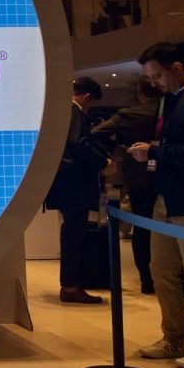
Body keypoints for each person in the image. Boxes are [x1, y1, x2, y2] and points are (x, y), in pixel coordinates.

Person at [129, 42, 184, 368]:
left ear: (177, 68)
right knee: (161, 271)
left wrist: (154, 152)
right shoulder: (169, 100)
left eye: (157, 76)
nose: (154, 83)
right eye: (150, 78)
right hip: (165, 199)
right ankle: (174, 339)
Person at [44, 77, 111, 304]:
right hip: (74, 184)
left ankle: (70, 285)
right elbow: (78, 142)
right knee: (74, 234)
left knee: (71, 232)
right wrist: (103, 161)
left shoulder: (61, 113)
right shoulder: (75, 113)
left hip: (65, 183)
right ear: (87, 97)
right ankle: (71, 287)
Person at [92, 80, 160, 294]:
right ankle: (174, 280)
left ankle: (147, 279)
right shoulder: (167, 111)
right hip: (170, 176)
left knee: (142, 228)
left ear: (140, 93)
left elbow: (96, 132)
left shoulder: (129, 115)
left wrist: (119, 148)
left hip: (138, 177)